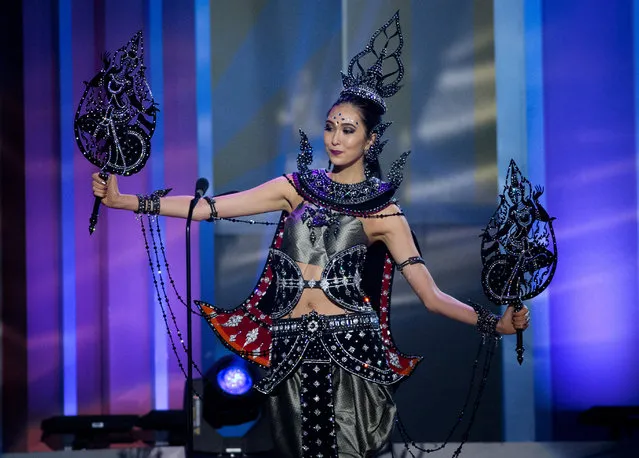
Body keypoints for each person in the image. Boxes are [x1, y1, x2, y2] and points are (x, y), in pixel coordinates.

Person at [92, 12, 529, 458]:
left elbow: (431, 295)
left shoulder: (383, 212)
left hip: (348, 346)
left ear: (371, 141)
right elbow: (209, 209)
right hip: (288, 346)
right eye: (330, 127)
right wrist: (129, 202)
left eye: (348, 129)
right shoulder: (293, 189)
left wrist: (495, 323)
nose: (335, 139)